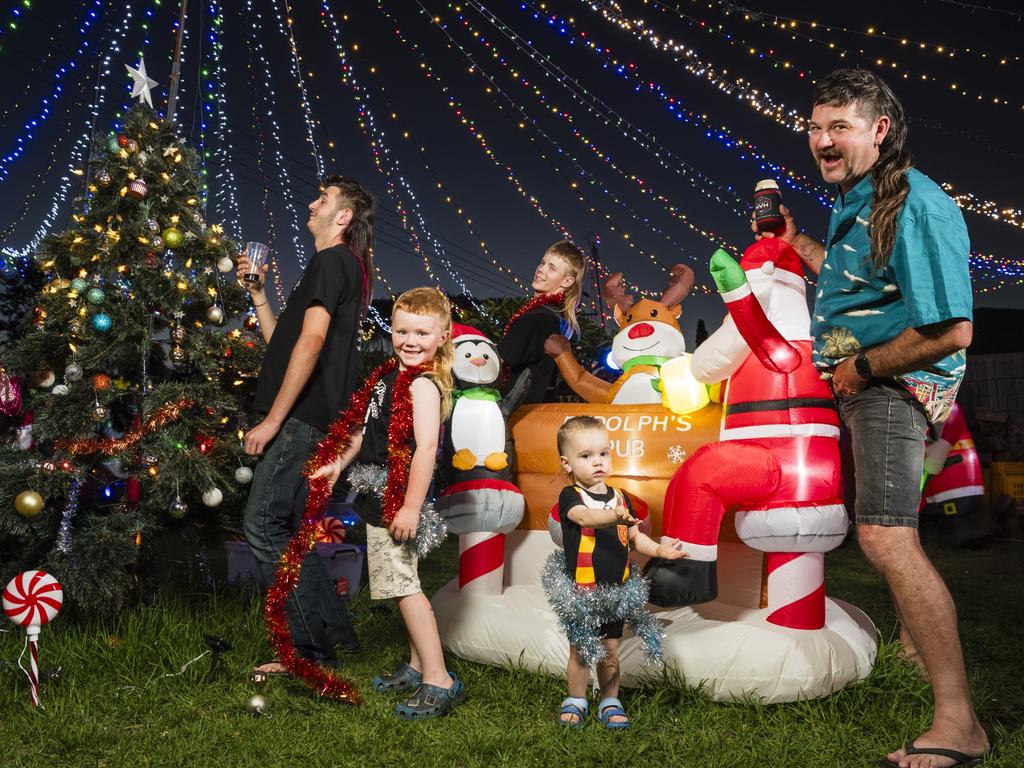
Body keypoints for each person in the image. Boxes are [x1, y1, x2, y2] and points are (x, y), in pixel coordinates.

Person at [758, 68, 988, 768]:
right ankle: (917, 657)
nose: (823, 141)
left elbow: (951, 331)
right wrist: (799, 246)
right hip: (868, 384)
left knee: (887, 540)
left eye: (840, 127)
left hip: (893, 385)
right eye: (815, 128)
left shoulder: (915, 204)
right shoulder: (857, 201)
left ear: (879, 130)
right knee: (888, 533)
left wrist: (859, 369)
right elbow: (855, 284)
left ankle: (958, 723)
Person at [240, 175, 375, 675]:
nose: (312, 203)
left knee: (262, 524)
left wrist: (274, 419)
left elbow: (312, 344)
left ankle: (303, 652)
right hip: (318, 420)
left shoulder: (329, 261)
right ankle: (334, 636)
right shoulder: (345, 267)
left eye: (323, 200)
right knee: (290, 530)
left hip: (301, 418)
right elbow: (288, 341)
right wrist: (259, 297)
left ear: (342, 217)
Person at [313, 287, 466, 719]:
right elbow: (361, 434)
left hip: (398, 497)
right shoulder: (386, 377)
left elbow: (426, 449)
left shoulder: (422, 384)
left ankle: (440, 679)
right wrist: (336, 467)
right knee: (401, 581)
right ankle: (418, 666)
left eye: (422, 331)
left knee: (403, 586)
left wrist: (411, 507)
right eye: (402, 330)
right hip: (376, 490)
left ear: (443, 336)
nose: (410, 340)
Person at [553, 416, 685, 729]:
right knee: (583, 650)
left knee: (610, 650)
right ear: (567, 463)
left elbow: (636, 537)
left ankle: (610, 700)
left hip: (616, 593)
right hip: (584, 592)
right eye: (586, 456)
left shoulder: (621, 497)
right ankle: (577, 699)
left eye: (603, 453)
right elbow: (584, 518)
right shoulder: (571, 496)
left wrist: (659, 550)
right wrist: (613, 516)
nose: (597, 462)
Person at [498, 240, 586, 403]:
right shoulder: (556, 318)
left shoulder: (538, 319)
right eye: (542, 262)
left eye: (551, 268)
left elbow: (494, 363)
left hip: (514, 415)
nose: (541, 270)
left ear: (567, 281)